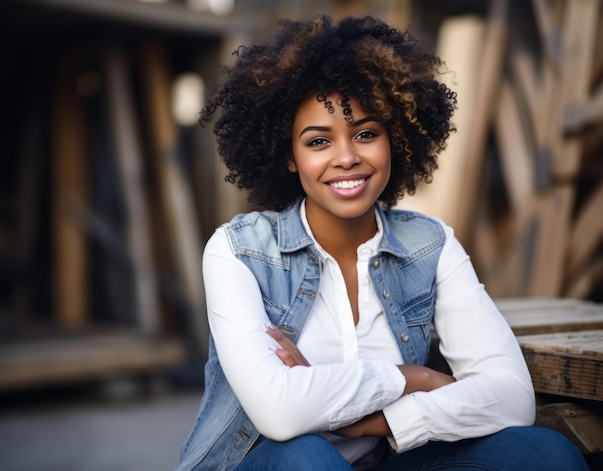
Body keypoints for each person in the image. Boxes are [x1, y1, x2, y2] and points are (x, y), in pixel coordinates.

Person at [176, 15, 589, 471]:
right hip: (270, 464)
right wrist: (411, 377)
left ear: (396, 139)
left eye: (366, 134)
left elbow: (511, 398)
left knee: (545, 454)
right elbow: (280, 413)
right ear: (289, 157)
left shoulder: (429, 245)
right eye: (318, 142)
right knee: (307, 457)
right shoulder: (238, 251)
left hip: (385, 458)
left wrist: (379, 420)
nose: (347, 157)